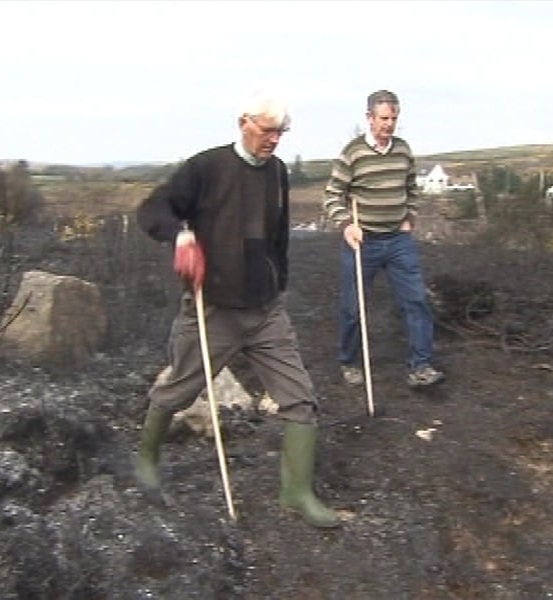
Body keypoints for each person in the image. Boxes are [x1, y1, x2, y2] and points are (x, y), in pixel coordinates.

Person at [134, 88, 340, 528]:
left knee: (300, 399)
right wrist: (181, 236)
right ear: (244, 123)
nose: (274, 139)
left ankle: (297, 493)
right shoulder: (206, 167)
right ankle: (146, 458)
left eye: (281, 132)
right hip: (213, 309)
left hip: (266, 311)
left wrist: (278, 282)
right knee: (179, 390)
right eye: (268, 130)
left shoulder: (277, 172)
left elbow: (277, 235)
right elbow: (153, 208)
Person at [323, 89, 444, 389]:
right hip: (362, 241)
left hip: (398, 240)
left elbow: (412, 188)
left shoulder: (403, 150)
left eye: (393, 118)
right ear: (369, 118)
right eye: (383, 118)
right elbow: (333, 195)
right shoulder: (353, 152)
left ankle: (421, 367)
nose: (389, 124)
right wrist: (346, 225)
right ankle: (349, 362)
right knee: (353, 307)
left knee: (416, 301)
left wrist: (409, 216)